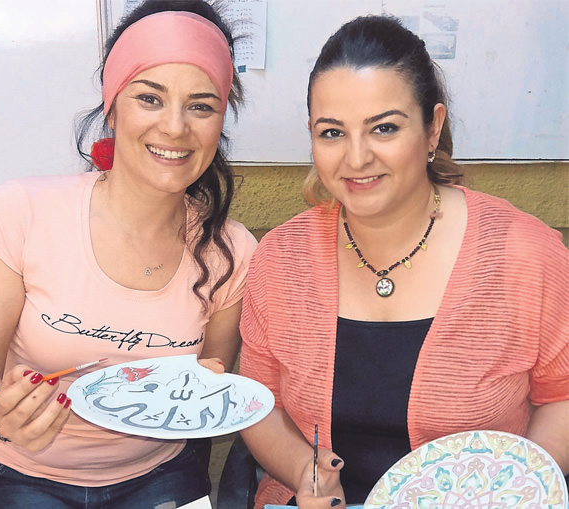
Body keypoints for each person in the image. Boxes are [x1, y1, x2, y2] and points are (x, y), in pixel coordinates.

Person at [238, 14, 569, 508]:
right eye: (332, 133)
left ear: (433, 128)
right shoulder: (281, 258)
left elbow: (561, 397)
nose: (356, 158)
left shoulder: (526, 254)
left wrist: (513, 491)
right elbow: (259, 401)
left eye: (384, 128)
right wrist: (304, 472)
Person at [0, 1, 257, 507]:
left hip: (161, 474)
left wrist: (210, 388)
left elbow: (209, 376)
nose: (175, 127)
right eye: (150, 98)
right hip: (18, 474)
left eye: (201, 106)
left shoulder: (232, 251)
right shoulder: (21, 211)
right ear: (112, 105)